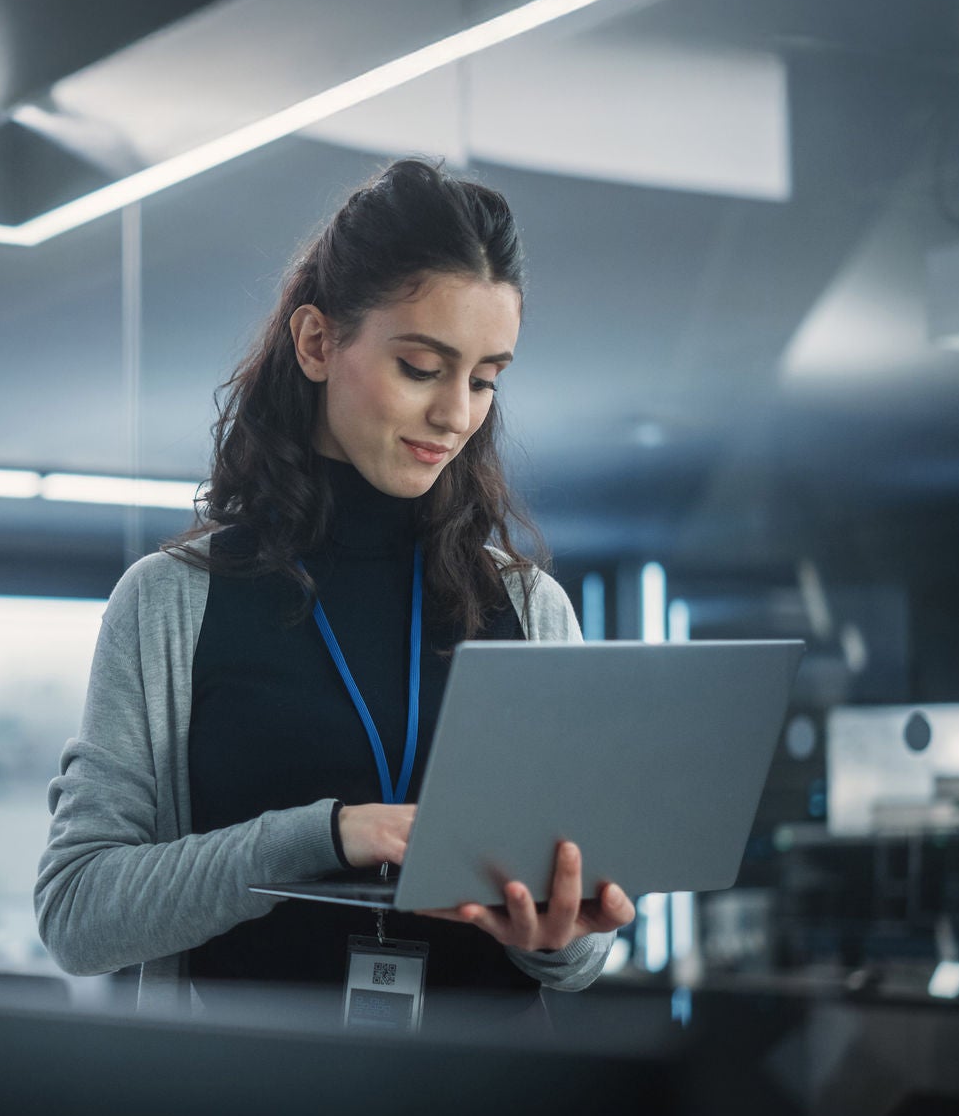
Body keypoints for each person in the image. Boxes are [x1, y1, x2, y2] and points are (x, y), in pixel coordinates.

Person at [35, 158, 634, 1012]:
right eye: (423, 367)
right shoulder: (172, 602)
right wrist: (327, 834)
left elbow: (577, 958)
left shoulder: (533, 611)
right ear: (317, 342)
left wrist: (565, 939)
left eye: (485, 377)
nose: (457, 414)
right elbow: (77, 913)